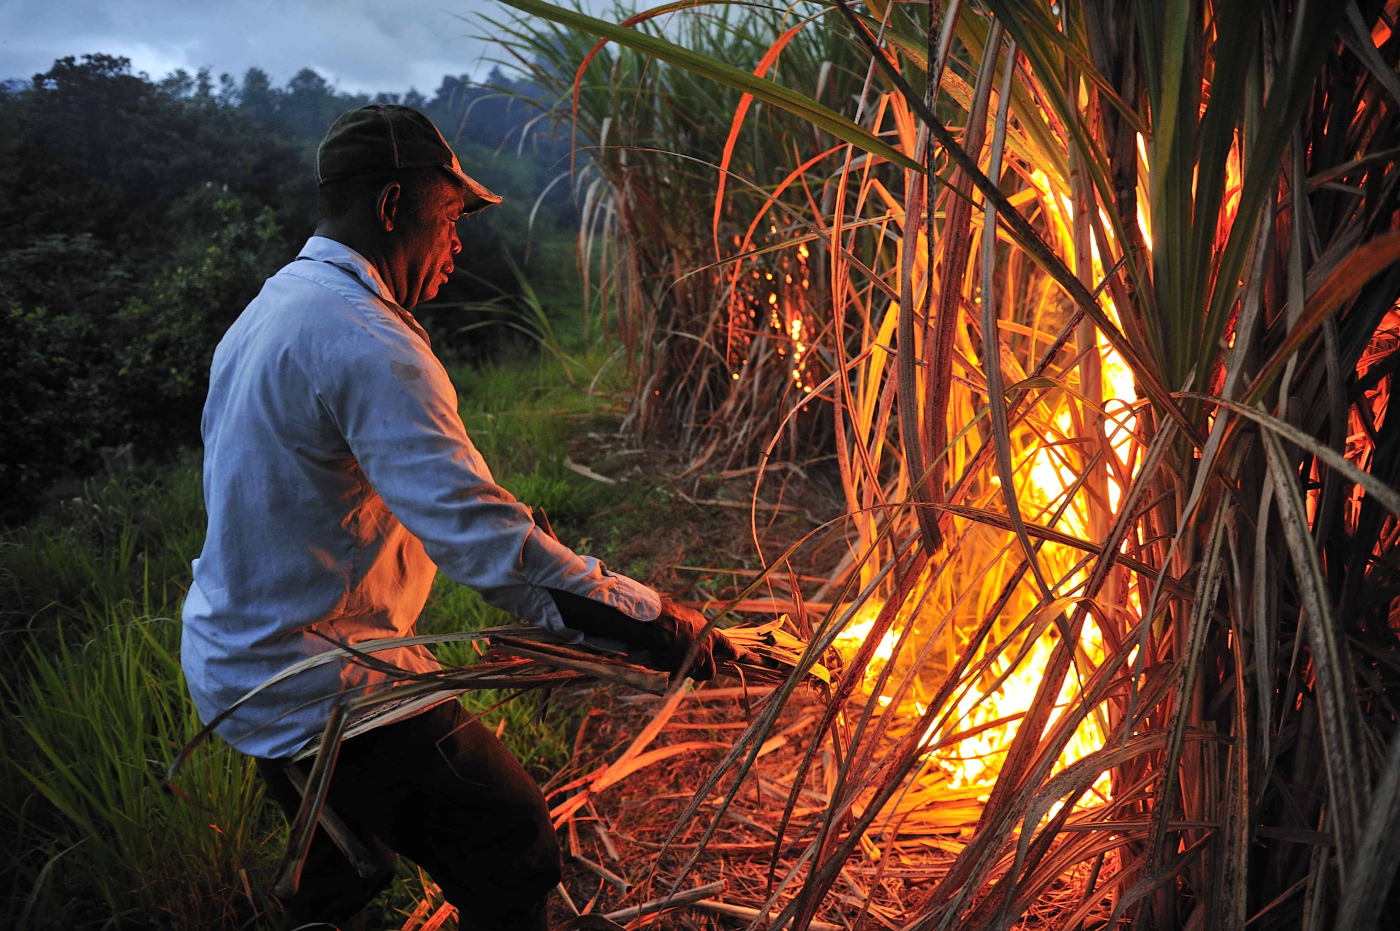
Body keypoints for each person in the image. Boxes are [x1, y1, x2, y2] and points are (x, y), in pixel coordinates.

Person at [179, 104, 737, 931]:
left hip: (236, 656)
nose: (458, 244)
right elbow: (494, 553)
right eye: (448, 219)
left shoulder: (273, 309)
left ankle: (326, 898)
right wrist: (657, 623)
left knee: (345, 849)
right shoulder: (368, 341)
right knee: (509, 834)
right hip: (315, 677)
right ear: (391, 207)